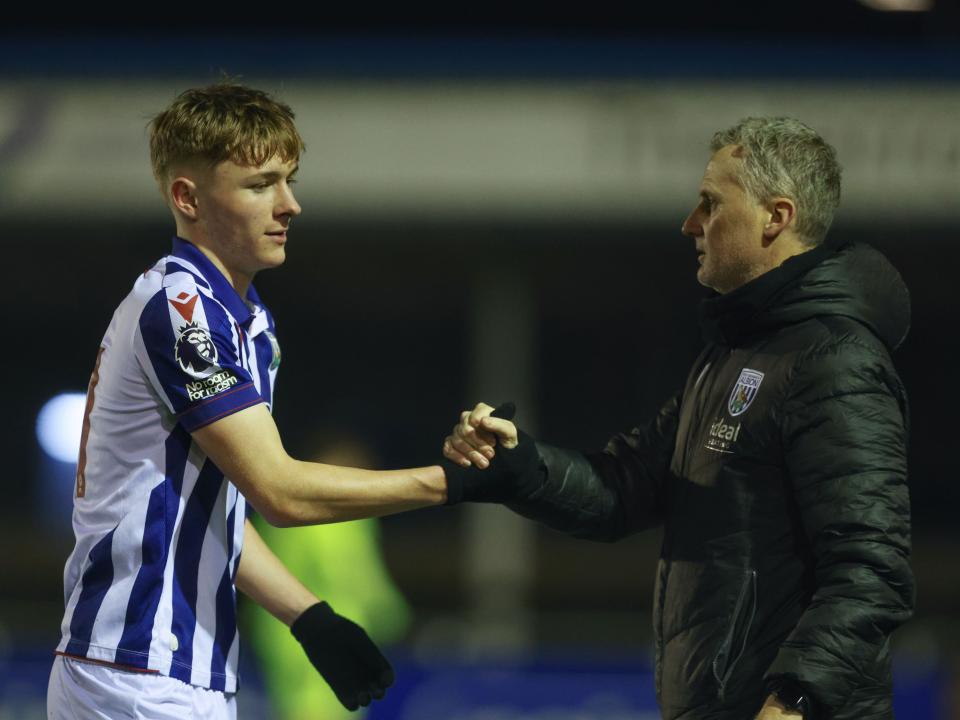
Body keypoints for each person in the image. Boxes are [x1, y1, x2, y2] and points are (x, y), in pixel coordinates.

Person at [442, 117, 914, 720]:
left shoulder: (835, 361)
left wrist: (794, 699)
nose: (690, 224)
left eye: (710, 204)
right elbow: (624, 488)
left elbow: (872, 568)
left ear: (776, 217)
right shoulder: (731, 355)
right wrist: (519, 465)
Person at [48, 83, 454, 720]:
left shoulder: (245, 323)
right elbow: (279, 492)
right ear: (187, 197)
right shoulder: (182, 311)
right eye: (261, 184)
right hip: (135, 673)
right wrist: (451, 483)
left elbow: (215, 513)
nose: (290, 204)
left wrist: (309, 615)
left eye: (289, 180)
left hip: (179, 673)